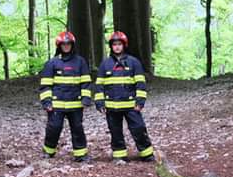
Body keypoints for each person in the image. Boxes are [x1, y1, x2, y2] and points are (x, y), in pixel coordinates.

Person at [93, 30, 155, 163]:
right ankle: (119, 155)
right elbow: (99, 86)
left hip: (131, 105)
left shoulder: (134, 62)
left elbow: (140, 83)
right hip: (111, 106)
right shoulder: (105, 64)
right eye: (114, 44)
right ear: (111, 46)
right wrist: (100, 102)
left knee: (138, 128)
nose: (117, 47)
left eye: (119, 44)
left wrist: (140, 100)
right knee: (115, 132)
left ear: (124, 45)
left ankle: (147, 154)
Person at [38, 29, 93, 161]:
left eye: (68, 44)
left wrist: (86, 98)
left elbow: (85, 82)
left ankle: (81, 154)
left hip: (75, 104)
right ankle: (48, 151)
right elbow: (45, 85)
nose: (66, 46)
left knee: (77, 128)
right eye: (64, 44)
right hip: (56, 104)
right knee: (54, 128)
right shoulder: (52, 63)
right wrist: (47, 102)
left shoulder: (80, 62)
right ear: (59, 46)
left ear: (72, 45)